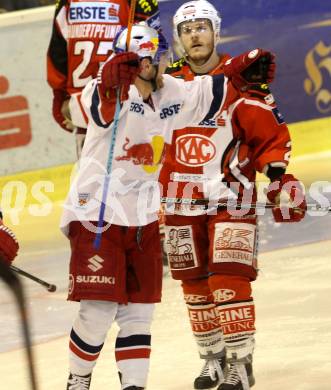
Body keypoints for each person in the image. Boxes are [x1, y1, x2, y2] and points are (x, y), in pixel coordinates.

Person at [59, 21, 275, 389]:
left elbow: (212, 87)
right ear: (128, 62)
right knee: (98, 311)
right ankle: (78, 380)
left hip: (142, 217)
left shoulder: (172, 89)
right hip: (97, 213)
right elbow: (75, 111)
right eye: (144, 59)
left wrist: (242, 70)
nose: (154, 64)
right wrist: (111, 84)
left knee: (139, 315)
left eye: (157, 56)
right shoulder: (107, 89)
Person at [158, 1, 307, 390]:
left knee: (228, 278)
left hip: (231, 198)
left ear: (216, 31)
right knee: (193, 283)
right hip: (179, 199)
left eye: (202, 27)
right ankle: (212, 359)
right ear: (177, 38)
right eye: (186, 28)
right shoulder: (165, 82)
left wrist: (278, 177)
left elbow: (267, 136)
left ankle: (240, 362)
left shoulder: (241, 78)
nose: (195, 34)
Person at [46, 0, 161, 158]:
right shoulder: (138, 2)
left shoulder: (67, 3)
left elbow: (57, 55)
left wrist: (59, 97)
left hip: (87, 108)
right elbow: (155, 53)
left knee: (92, 177)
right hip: (125, 106)